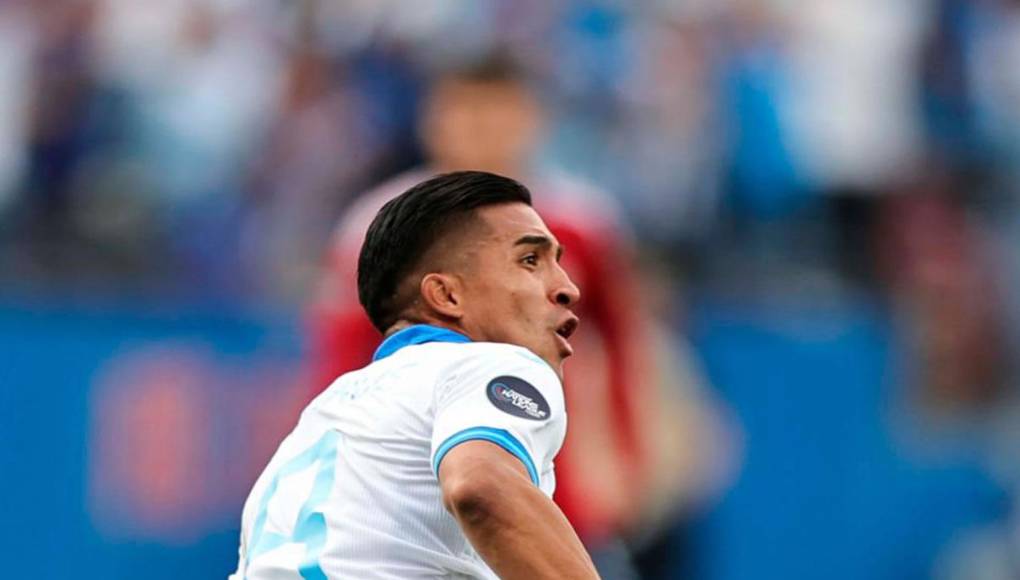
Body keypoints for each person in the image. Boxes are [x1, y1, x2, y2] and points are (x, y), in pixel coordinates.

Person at [308, 57, 660, 570]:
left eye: (497, 114)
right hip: (428, 503)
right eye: (466, 114)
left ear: (531, 120)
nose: (481, 133)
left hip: (561, 496)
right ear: (433, 122)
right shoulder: (379, 227)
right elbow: (342, 365)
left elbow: (624, 347)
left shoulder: (584, 223)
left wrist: (630, 462)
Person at [231, 171, 599, 579]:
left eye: (558, 263)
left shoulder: (316, 424)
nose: (568, 288)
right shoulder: (494, 363)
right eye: (530, 261)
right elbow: (481, 485)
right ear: (446, 295)